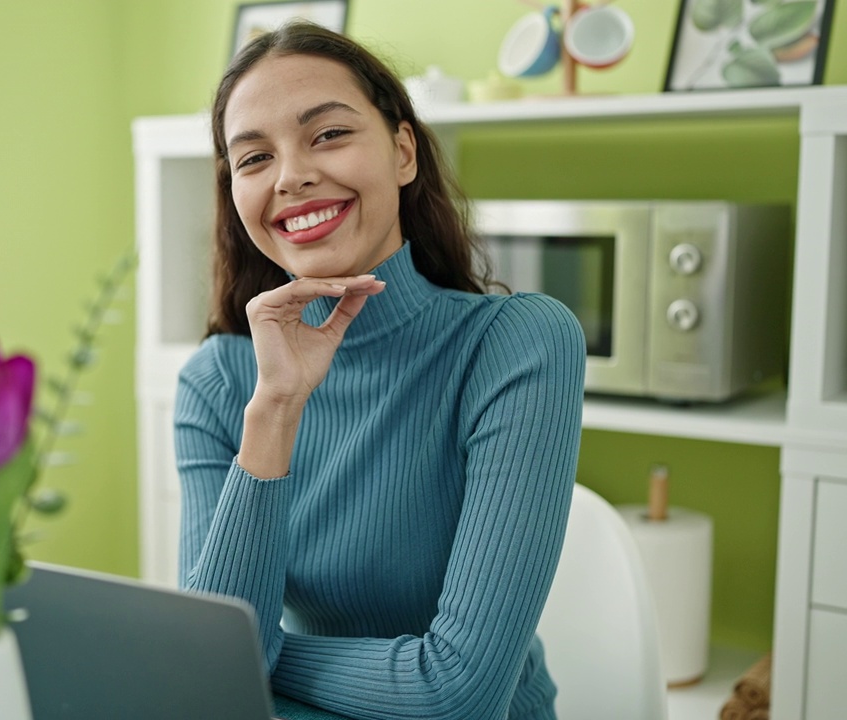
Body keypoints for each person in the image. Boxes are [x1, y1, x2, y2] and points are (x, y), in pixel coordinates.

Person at [172, 22, 586, 720]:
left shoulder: (515, 345)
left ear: (402, 152)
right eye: (253, 158)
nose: (292, 175)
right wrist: (275, 406)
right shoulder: (219, 382)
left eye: (328, 134)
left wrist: (263, 651)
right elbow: (207, 672)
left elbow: (459, 693)